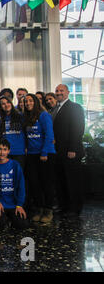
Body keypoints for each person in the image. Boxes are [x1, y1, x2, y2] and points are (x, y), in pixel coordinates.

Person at [52, 84, 85, 217]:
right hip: (58, 152)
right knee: (61, 180)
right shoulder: (55, 108)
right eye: (57, 91)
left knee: (72, 181)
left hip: (70, 151)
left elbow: (78, 128)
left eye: (61, 90)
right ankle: (64, 206)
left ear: (68, 92)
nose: (59, 93)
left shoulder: (75, 107)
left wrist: (73, 148)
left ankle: (74, 208)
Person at [23, 93, 56, 223]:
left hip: (45, 154)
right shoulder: (27, 117)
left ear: (36, 102)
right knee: (34, 183)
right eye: (26, 102)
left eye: (30, 101)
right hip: (31, 154)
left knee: (46, 183)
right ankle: (39, 208)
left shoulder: (44, 115)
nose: (28, 103)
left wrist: (44, 152)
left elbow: (49, 135)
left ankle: (48, 210)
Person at [0, 139, 29, 230]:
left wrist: (19, 205)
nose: (2, 152)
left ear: (9, 151)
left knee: (23, 225)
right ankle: (6, 220)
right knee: (1, 226)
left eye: (5, 149)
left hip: (13, 204)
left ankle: (11, 220)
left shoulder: (15, 165)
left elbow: (21, 186)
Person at [0, 96, 26, 170]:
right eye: (3, 104)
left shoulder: (20, 116)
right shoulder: (0, 120)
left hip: (19, 152)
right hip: (5, 154)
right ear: (0, 107)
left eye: (8, 102)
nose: (6, 105)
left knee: (18, 176)